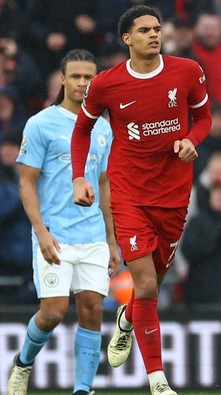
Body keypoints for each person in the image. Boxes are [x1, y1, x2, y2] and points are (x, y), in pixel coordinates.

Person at [70, 6, 211, 395]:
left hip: (174, 194)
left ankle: (127, 320)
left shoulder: (187, 71)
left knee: (153, 285)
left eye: (157, 28)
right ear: (127, 39)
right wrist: (79, 176)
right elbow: (82, 130)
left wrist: (191, 141)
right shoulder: (105, 84)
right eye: (145, 30)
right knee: (146, 284)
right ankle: (158, 380)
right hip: (129, 192)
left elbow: (204, 119)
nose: (154, 34)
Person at [7, 49, 120, 395]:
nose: (83, 83)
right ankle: (23, 363)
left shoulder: (102, 127)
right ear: (63, 80)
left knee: (91, 311)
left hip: (93, 236)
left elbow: (104, 184)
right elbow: (26, 181)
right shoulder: (41, 123)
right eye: (76, 76)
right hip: (54, 233)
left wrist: (112, 240)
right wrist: (40, 231)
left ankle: (83, 390)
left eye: (89, 77)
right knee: (53, 312)